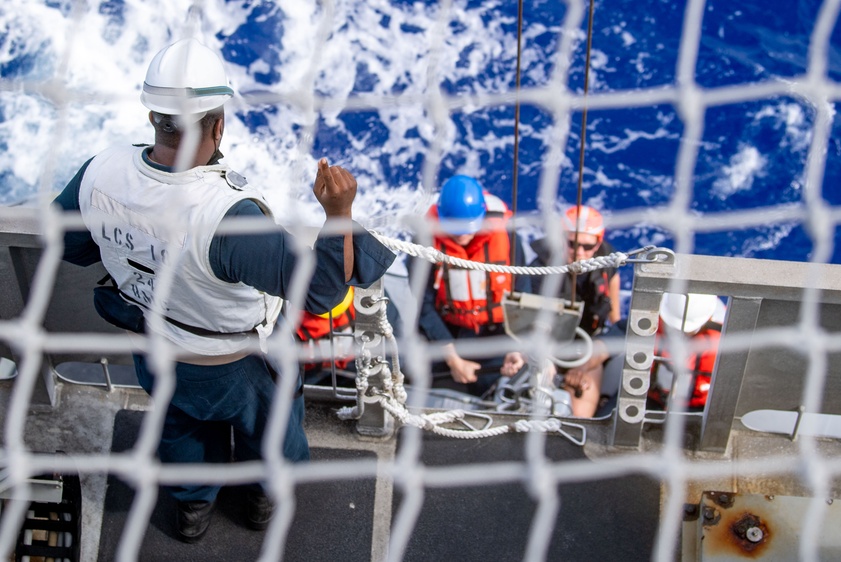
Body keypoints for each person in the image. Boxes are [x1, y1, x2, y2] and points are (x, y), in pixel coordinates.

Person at [52, 38, 395, 543]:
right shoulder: (230, 217)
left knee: (181, 426)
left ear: (154, 118)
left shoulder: (99, 171)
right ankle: (259, 505)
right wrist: (338, 214)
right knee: (273, 434)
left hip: (159, 345)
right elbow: (320, 292)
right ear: (218, 124)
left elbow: (72, 245)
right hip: (238, 363)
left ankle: (191, 514)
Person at [411, 175, 530, 397]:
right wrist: (453, 359)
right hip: (449, 335)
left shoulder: (507, 236)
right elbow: (422, 305)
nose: (463, 235)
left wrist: (518, 345)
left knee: (512, 389)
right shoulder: (424, 242)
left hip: (500, 335)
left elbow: (523, 290)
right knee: (439, 394)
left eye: (469, 228)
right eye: (456, 229)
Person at [509, 205, 622, 417]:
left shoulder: (608, 266)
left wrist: (594, 357)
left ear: (598, 244)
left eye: (587, 247)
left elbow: (614, 314)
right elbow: (528, 321)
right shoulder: (538, 271)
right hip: (547, 346)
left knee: (580, 411)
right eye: (571, 244)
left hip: (587, 347)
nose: (579, 252)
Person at [648, 293, 726, 411]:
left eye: (686, 330)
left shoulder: (723, 336)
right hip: (653, 398)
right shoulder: (650, 321)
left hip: (698, 407)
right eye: (673, 326)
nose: (679, 333)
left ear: (708, 319)